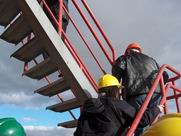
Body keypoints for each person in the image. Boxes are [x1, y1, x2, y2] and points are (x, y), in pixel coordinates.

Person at [74, 74, 163, 136]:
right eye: (118, 89)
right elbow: (141, 120)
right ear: (114, 90)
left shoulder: (88, 106)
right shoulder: (119, 104)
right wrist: (157, 108)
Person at [112, 43, 169, 135]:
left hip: (136, 94)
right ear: (139, 51)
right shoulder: (152, 60)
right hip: (156, 94)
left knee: (137, 122)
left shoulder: (124, 58)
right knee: (152, 122)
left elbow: (117, 71)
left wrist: (113, 88)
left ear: (128, 51)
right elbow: (164, 75)